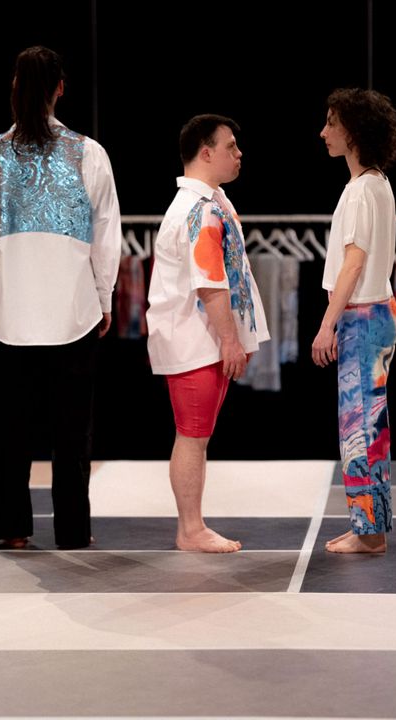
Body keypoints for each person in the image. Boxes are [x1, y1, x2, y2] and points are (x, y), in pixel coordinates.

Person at [0, 46, 122, 550]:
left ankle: (12, 528)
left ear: (15, 86)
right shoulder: (89, 153)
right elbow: (107, 235)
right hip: (73, 311)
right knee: (72, 433)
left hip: (11, 312)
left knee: (9, 431)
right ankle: (73, 532)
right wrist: (104, 297)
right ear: (60, 88)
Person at [146, 114, 269, 553]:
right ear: (206, 152)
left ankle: (192, 526)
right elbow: (209, 282)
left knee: (197, 435)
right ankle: (190, 529)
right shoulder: (198, 209)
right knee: (192, 434)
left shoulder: (213, 200)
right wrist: (231, 340)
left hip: (201, 338)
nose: (239, 153)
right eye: (230, 146)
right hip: (192, 339)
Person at [312, 87, 396, 554]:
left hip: (362, 317)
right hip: (378, 312)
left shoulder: (361, 190)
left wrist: (327, 324)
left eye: (332, 123)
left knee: (359, 427)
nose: (324, 132)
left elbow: (353, 263)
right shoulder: (378, 184)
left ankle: (369, 533)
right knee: (370, 425)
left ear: (354, 131)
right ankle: (369, 526)